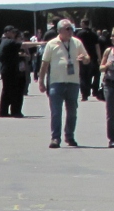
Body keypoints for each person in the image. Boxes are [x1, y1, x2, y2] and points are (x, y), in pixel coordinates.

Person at [38, 18, 91, 147]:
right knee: (56, 112)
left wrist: (84, 59)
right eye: (67, 29)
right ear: (59, 30)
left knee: (72, 112)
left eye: (72, 28)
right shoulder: (51, 44)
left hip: (73, 82)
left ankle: (70, 136)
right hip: (56, 82)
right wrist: (41, 81)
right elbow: (44, 64)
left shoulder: (77, 42)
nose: (70, 31)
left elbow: (87, 58)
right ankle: (55, 138)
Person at [0, 26, 25, 117]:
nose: (14, 34)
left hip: (7, 70)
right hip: (10, 71)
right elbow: (23, 44)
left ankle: (4, 111)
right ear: (6, 33)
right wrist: (41, 43)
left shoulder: (4, 41)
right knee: (13, 91)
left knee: (6, 92)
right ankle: (13, 111)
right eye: (12, 32)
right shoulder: (9, 41)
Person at [76, 19, 101, 101]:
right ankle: (89, 90)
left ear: (83, 24)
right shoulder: (94, 34)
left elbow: (77, 46)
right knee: (89, 75)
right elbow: (97, 47)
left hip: (81, 57)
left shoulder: (79, 34)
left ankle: (84, 94)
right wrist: (99, 58)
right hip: (92, 57)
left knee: (82, 76)